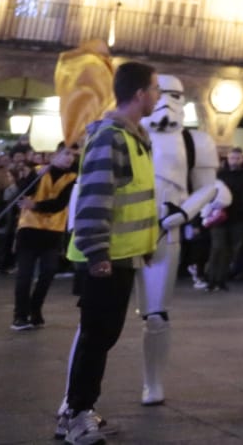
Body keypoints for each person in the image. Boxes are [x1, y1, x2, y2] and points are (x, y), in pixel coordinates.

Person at [54, 60, 161, 445]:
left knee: (100, 336)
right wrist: (98, 251)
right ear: (140, 94)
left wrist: (142, 247)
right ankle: (77, 415)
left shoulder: (134, 137)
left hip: (121, 255)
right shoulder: (113, 137)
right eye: (156, 89)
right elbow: (95, 198)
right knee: (96, 337)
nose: (159, 96)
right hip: (106, 258)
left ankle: (76, 411)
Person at [136, 74, 231, 406]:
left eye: (175, 95)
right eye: (160, 93)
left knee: (157, 316)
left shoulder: (197, 142)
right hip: (125, 231)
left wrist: (185, 212)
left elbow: (209, 186)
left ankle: (153, 383)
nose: (166, 101)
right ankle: (78, 394)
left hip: (168, 230)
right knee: (98, 317)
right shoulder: (129, 133)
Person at [11, 142, 77, 330]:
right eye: (65, 154)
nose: (69, 158)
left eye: (73, 155)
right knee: (24, 275)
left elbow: (60, 203)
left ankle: (35, 308)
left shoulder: (73, 177)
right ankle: (20, 315)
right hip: (29, 228)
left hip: (53, 231)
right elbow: (23, 194)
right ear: (55, 154)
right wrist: (34, 177)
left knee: (48, 272)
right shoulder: (38, 171)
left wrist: (36, 206)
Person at [207, 146, 243, 290]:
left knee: (230, 250)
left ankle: (221, 279)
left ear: (242, 159)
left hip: (239, 218)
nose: (234, 161)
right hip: (219, 217)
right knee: (217, 247)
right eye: (232, 158)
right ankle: (211, 278)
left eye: (237, 158)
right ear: (228, 159)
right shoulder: (220, 176)